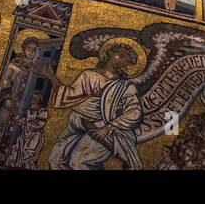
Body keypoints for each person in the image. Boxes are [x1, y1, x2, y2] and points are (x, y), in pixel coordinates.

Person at [43, 41, 143, 169]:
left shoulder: (125, 87)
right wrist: (51, 76)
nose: (122, 61)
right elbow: (69, 96)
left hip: (101, 127)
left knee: (79, 162)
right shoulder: (88, 75)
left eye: (126, 60)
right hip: (76, 122)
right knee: (55, 160)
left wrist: (109, 128)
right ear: (111, 53)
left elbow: (135, 111)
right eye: (121, 55)